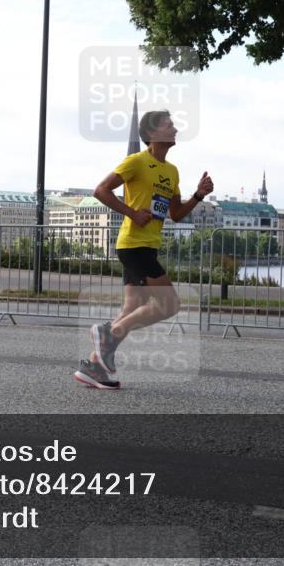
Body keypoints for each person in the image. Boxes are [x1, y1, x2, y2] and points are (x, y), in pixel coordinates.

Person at [73, 110, 214, 390]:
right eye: (168, 124)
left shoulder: (171, 171)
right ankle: (106, 333)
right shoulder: (136, 162)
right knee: (169, 304)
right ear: (152, 134)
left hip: (147, 246)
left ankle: (93, 368)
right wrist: (132, 213)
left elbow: (176, 214)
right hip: (134, 245)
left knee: (132, 307)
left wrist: (198, 196)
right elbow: (101, 190)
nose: (175, 128)